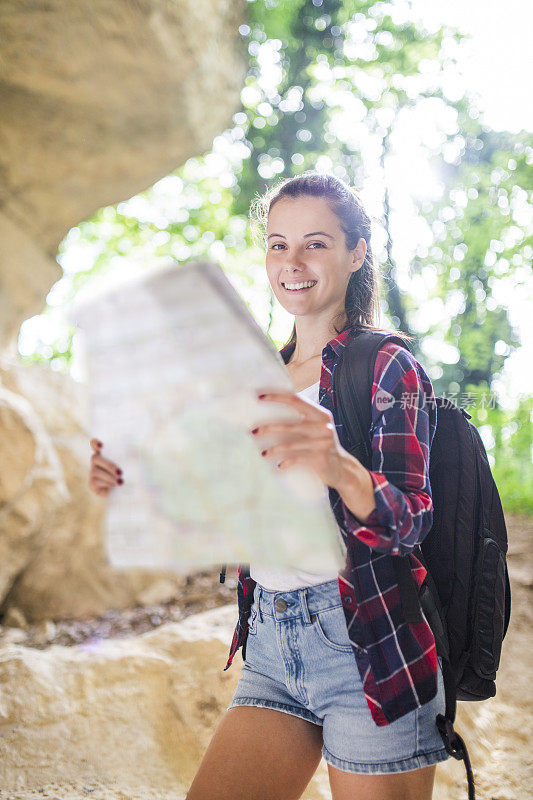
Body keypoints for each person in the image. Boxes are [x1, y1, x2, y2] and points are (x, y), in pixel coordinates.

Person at [88, 172, 450, 800]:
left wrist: (340, 466)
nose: (294, 262)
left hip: (368, 645)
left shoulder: (387, 364)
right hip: (273, 648)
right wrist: (128, 481)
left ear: (355, 252)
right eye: (278, 244)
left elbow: (413, 520)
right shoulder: (257, 376)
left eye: (316, 243)